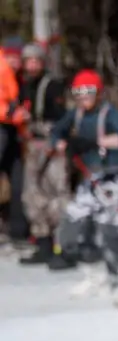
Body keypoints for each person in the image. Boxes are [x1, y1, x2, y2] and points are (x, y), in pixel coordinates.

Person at [50, 70, 118, 306]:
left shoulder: (109, 114)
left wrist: (96, 143)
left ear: (98, 93)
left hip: (111, 178)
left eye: (88, 92)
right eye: (78, 93)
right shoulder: (77, 115)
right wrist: (61, 143)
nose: (83, 98)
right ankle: (95, 275)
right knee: (73, 226)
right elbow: (56, 130)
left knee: (113, 229)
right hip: (89, 179)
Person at [15, 43, 70, 267]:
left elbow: (63, 116)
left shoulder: (53, 85)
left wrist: (58, 139)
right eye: (29, 61)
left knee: (57, 193)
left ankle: (63, 245)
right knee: (32, 193)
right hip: (33, 143)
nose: (33, 65)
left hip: (53, 143)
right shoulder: (25, 85)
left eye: (36, 60)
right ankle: (43, 241)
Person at [0, 39, 24, 247]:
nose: (16, 62)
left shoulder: (14, 73)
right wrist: (10, 114)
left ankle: (18, 229)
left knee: (17, 177)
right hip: (3, 127)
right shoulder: (2, 69)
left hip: (12, 130)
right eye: (13, 57)